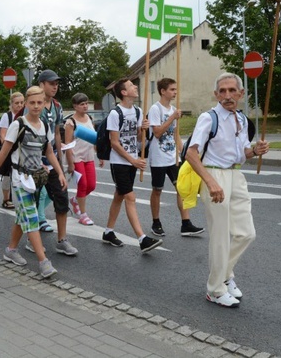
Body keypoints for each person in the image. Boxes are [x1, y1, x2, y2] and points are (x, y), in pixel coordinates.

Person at [185, 72, 269, 308]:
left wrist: (256, 150)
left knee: (246, 233)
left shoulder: (241, 120)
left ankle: (225, 274)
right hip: (215, 174)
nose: (227, 95)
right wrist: (211, 182)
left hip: (236, 174)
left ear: (241, 94)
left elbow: (244, 153)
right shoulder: (208, 118)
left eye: (232, 91)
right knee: (220, 236)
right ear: (216, 94)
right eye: (222, 91)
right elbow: (191, 153)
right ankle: (214, 289)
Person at [0, 86, 68, 278]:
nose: (36, 106)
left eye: (40, 102)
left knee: (23, 217)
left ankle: (11, 250)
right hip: (20, 179)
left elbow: (47, 152)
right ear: (26, 104)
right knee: (32, 218)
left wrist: (60, 172)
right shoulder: (18, 124)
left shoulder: (44, 126)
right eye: (32, 103)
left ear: (44, 102)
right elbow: (3, 153)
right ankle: (43, 262)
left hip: (36, 178)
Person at [102, 79, 162, 253]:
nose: (135, 87)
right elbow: (114, 143)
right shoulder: (115, 113)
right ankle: (142, 239)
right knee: (130, 197)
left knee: (119, 196)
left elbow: (136, 138)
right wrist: (133, 160)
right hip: (120, 162)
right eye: (131, 86)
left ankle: (108, 232)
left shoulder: (138, 111)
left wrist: (142, 129)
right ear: (123, 92)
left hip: (132, 161)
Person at [148, 78, 205, 237]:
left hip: (173, 157)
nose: (175, 92)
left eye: (175, 90)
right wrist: (172, 117)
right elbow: (157, 133)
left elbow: (175, 134)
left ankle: (186, 223)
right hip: (158, 157)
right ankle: (156, 222)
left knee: (181, 188)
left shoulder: (173, 109)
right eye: (172, 89)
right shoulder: (156, 109)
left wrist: (184, 153)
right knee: (157, 190)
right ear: (163, 91)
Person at [33, 69, 73, 247]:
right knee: (33, 201)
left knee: (61, 197)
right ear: (41, 85)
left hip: (52, 159)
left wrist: (61, 162)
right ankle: (31, 240)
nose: (55, 86)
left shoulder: (57, 106)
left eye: (57, 83)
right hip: (34, 161)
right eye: (51, 83)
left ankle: (62, 240)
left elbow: (57, 134)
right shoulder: (35, 106)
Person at [63, 93, 100, 225]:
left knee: (91, 185)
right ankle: (83, 215)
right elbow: (67, 144)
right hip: (76, 157)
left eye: (86, 103)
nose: (85, 106)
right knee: (83, 184)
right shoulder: (71, 122)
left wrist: (99, 154)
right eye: (81, 104)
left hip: (89, 155)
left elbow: (95, 138)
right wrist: (70, 163)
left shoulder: (90, 118)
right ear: (75, 106)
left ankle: (75, 200)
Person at [0, 92, 24, 209]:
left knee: (22, 175)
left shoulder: (26, 116)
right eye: (17, 103)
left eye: (22, 102)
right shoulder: (7, 117)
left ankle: (23, 199)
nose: (20, 105)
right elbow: (3, 135)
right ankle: (6, 199)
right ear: (11, 104)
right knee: (7, 176)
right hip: (9, 151)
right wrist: (8, 149)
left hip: (22, 151)